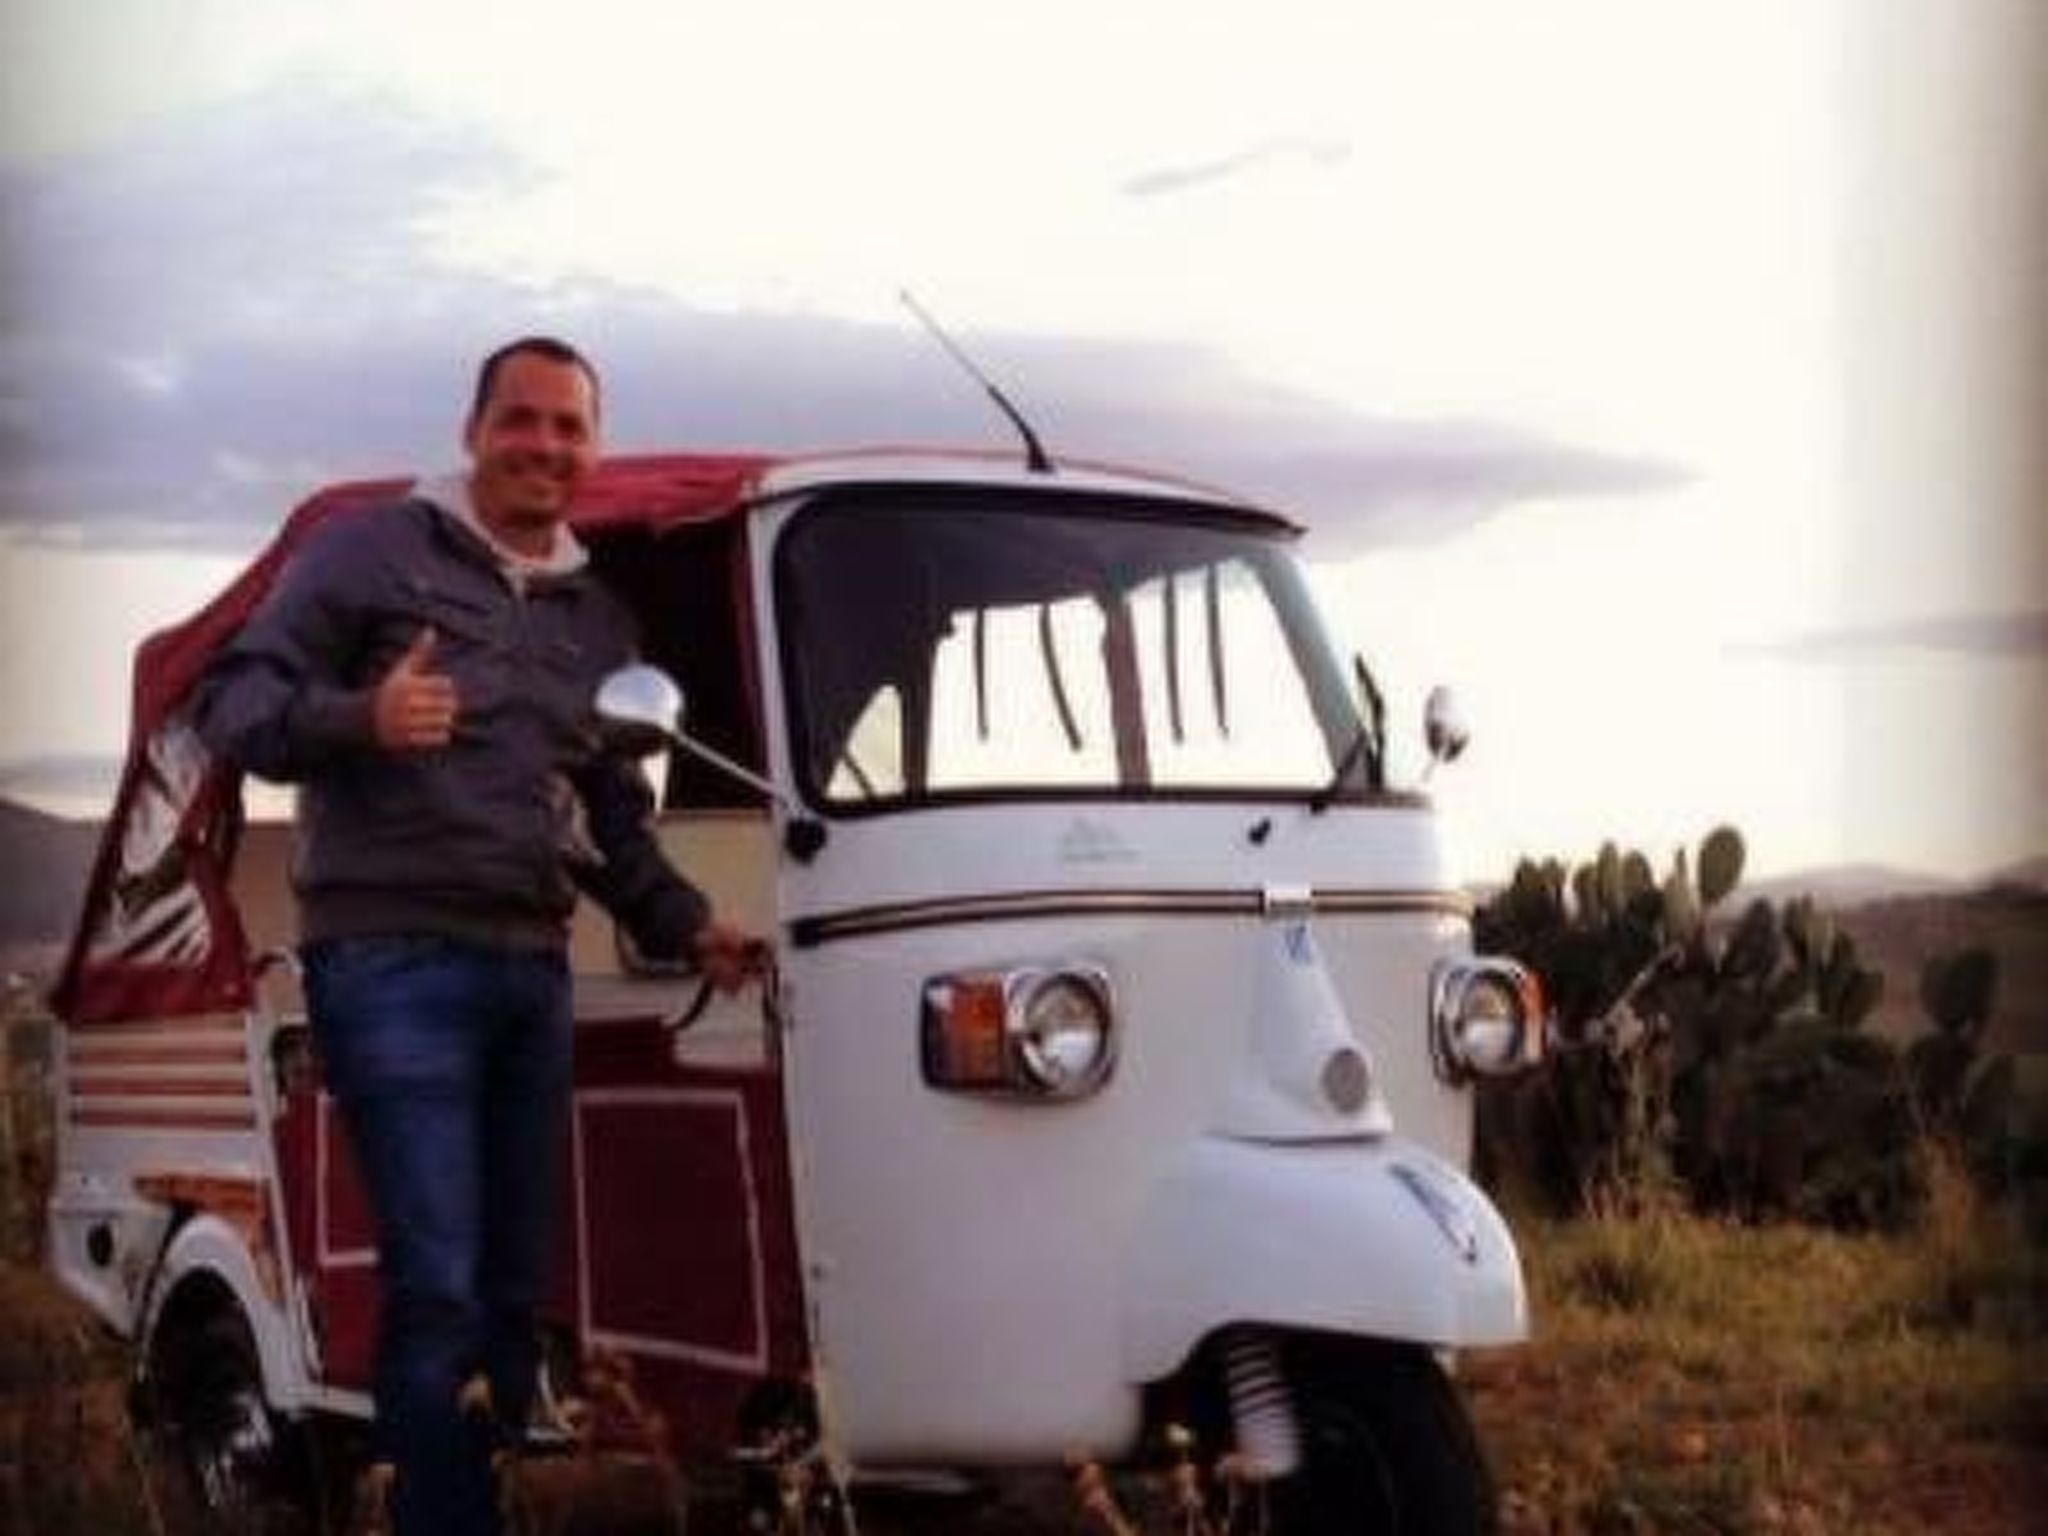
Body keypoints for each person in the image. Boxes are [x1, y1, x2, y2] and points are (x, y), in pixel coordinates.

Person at [195, 336, 757, 1536]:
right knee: (439, 1280)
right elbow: (232, 703)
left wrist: (689, 925)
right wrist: (364, 715)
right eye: (521, 419)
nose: (544, 445)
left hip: (528, 970)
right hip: (388, 958)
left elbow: (609, 821)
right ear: (472, 431)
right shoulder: (370, 552)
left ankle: (490, 1503)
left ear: (593, 448)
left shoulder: (595, 620)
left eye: (569, 427)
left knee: (512, 1287)